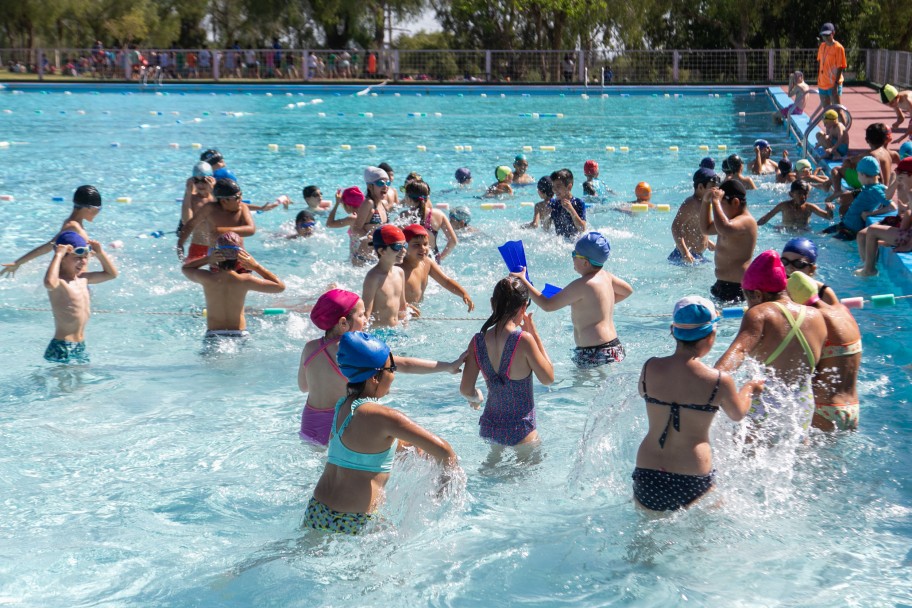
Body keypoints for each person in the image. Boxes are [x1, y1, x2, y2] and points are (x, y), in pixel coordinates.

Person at [305, 331, 458, 535]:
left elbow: (369, 449)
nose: (393, 376)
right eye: (391, 369)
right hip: (354, 520)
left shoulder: (342, 407)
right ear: (375, 377)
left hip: (316, 511)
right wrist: (439, 496)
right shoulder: (386, 418)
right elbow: (445, 451)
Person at [633, 296, 763, 511]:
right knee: (698, 540)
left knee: (644, 541)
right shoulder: (719, 380)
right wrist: (751, 388)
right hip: (691, 474)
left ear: (673, 331)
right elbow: (737, 414)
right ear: (711, 336)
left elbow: (642, 392)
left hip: (647, 471)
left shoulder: (650, 367)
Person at [298, 290, 466, 446]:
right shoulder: (353, 352)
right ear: (343, 323)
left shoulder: (310, 348)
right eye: (362, 315)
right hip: (339, 426)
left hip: (309, 426)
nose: (366, 320)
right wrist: (448, 366)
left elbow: (303, 387)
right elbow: (405, 365)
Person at [715, 251, 827, 438]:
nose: (748, 304)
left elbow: (739, 351)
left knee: (746, 458)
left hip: (766, 401)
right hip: (803, 404)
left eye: (747, 297)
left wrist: (710, 382)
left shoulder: (760, 313)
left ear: (757, 295)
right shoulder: (816, 316)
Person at [459, 277, 553, 455]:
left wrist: (476, 397)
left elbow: (465, 389)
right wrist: (534, 334)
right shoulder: (523, 340)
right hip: (522, 432)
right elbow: (548, 378)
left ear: (492, 303)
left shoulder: (477, 341)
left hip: (490, 429)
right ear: (524, 306)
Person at [511, 231, 633, 368]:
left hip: (594, 352)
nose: (572, 258)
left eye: (574, 254)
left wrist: (523, 282)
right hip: (614, 347)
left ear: (585, 262)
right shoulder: (607, 277)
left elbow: (548, 305)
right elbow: (627, 291)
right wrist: (593, 305)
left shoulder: (582, 284)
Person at [786, 272, 862, 431]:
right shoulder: (842, 311)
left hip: (825, 408)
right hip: (853, 408)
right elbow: (823, 289)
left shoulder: (815, 321)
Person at [181, 232, 285, 339]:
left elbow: (186, 268)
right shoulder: (245, 280)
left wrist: (207, 259)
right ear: (240, 257)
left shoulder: (208, 278)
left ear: (215, 254)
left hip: (213, 335)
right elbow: (280, 287)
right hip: (239, 334)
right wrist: (256, 266)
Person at [43, 231, 118, 363]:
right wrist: (58, 254)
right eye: (77, 258)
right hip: (62, 345)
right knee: (62, 383)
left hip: (80, 345)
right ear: (63, 259)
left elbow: (111, 274)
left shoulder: (83, 279)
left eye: (85, 257)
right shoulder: (60, 282)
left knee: (80, 382)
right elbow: (49, 282)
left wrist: (100, 253)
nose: (83, 261)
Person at [2, 185, 103, 278]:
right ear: (89, 208)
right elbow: (49, 246)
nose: (99, 212)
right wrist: (18, 262)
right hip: (75, 281)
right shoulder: (72, 226)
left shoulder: (75, 224)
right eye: (99, 209)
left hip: (78, 280)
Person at [700, 180, 758, 304]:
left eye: (722, 204)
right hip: (720, 284)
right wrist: (705, 202)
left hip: (737, 288)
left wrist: (715, 201)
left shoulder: (747, 221)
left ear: (735, 202)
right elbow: (705, 229)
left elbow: (724, 228)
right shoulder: (728, 221)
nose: (718, 209)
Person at [854, 158, 912, 275]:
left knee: (872, 232)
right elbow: (888, 197)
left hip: (907, 233)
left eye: (902, 174)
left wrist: (908, 245)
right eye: (898, 173)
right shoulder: (907, 188)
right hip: (903, 225)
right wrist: (896, 182)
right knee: (862, 235)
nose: (899, 175)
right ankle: (867, 265)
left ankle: (869, 269)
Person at [399, 224, 473, 313]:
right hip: (400, 315)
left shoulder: (427, 263)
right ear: (405, 247)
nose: (422, 248)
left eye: (425, 244)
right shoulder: (398, 269)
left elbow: (446, 281)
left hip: (415, 313)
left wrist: (463, 293)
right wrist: (403, 308)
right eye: (416, 245)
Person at [177, 178, 255, 262]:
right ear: (224, 201)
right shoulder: (210, 208)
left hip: (238, 256)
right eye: (237, 197)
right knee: (188, 269)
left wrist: (220, 231)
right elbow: (191, 224)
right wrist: (180, 243)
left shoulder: (242, 208)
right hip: (216, 257)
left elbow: (251, 230)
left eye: (241, 195)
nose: (241, 199)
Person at [823, 155, 891, 241]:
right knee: (821, 234)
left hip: (851, 230)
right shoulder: (869, 187)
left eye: (858, 174)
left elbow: (892, 207)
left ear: (863, 174)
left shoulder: (875, 190)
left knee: (829, 242)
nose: (858, 178)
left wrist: (871, 213)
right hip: (845, 224)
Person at [669, 168, 719, 265]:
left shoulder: (705, 203)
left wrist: (708, 243)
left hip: (697, 255)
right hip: (685, 256)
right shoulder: (691, 203)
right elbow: (676, 227)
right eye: (713, 187)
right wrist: (684, 252)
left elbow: (696, 228)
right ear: (700, 187)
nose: (716, 190)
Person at [399, 180, 458, 262]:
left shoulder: (404, 215)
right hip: (431, 259)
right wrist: (440, 257)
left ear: (408, 198)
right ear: (427, 197)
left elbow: (396, 241)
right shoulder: (439, 214)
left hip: (411, 260)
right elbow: (453, 241)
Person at [362, 225, 408, 329]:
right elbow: (366, 314)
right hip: (378, 333)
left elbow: (402, 305)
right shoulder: (373, 277)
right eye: (397, 247)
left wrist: (406, 328)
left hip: (395, 330)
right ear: (382, 251)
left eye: (405, 245)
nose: (404, 250)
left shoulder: (400, 272)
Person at [780, 237, 840, 305]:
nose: (788, 268)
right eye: (784, 261)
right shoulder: (773, 288)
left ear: (812, 269)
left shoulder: (823, 293)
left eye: (798, 263)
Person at [756, 180, 834, 230]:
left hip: (803, 233)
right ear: (791, 194)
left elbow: (828, 217)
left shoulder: (809, 207)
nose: (803, 197)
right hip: (785, 233)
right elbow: (766, 218)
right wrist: (754, 226)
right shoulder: (784, 206)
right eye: (799, 193)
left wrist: (829, 210)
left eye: (805, 193)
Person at [178, 162, 216, 259]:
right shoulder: (192, 200)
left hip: (217, 247)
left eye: (204, 180)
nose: (200, 184)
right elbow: (187, 221)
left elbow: (224, 216)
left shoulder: (218, 198)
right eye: (196, 181)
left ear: (211, 179)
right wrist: (187, 193)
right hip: (198, 246)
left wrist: (213, 191)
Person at [545, 168, 586, 239]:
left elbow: (582, 229)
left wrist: (571, 210)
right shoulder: (553, 204)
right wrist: (546, 216)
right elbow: (545, 229)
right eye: (553, 187)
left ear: (569, 187)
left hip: (574, 241)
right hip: (560, 242)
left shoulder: (579, 203)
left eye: (558, 186)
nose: (554, 190)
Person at [817, 22, 847, 115]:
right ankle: (830, 130)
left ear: (833, 33)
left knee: (837, 111)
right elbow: (821, 62)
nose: (825, 37)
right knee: (827, 113)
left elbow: (840, 66)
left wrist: (836, 84)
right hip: (823, 84)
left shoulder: (838, 48)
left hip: (833, 84)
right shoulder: (822, 46)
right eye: (823, 35)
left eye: (827, 35)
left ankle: (844, 129)